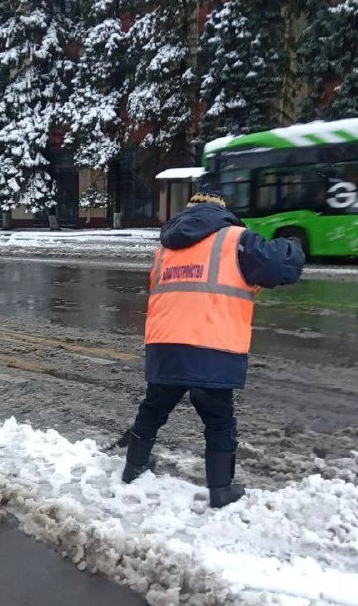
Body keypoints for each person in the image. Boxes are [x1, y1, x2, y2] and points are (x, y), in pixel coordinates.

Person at [122, 191, 305, 508]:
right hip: (212, 347)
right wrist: (294, 243)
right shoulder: (235, 240)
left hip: (165, 344)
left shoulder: (166, 247)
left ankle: (132, 467)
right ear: (221, 212)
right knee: (219, 421)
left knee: (153, 406)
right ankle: (221, 490)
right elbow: (280, 266)